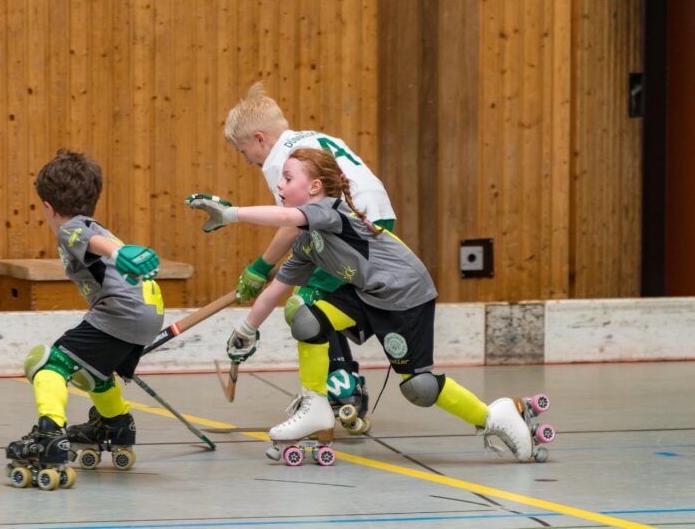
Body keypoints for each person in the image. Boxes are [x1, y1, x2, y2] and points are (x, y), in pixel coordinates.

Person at [186, 148, 539, 462]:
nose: (280, 184)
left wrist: (231, 215)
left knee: (419, 388)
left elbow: (286, 219)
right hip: (365, 293)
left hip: (405, 296)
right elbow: (274, 290)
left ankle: (493, 417)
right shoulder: (306, 244)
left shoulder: (330, 211)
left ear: (314, 188)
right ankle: (315, 406)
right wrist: (246, 330)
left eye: (288, 178)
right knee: (306, 318)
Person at [224, 82, 397, 433]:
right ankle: (341, 383)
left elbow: (293, 224)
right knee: (317, 300)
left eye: (244, 152)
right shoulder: (314, 138)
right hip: (377, 217)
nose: (248, 161)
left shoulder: (282, 162)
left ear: (260, 139)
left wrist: (260, 267)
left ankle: (339, 389)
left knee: (306, 307)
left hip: (351, 228)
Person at [5, 150, 165, 490]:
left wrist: (116, 252)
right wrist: (116, 250)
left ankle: (49, 434)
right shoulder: (96, 225)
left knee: (47, 364)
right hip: (144, 315)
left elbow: (90, 242)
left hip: (121, 313)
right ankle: (115, 424)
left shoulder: (71, 228)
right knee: (92, 372)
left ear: (48, 207)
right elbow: (97, 244)